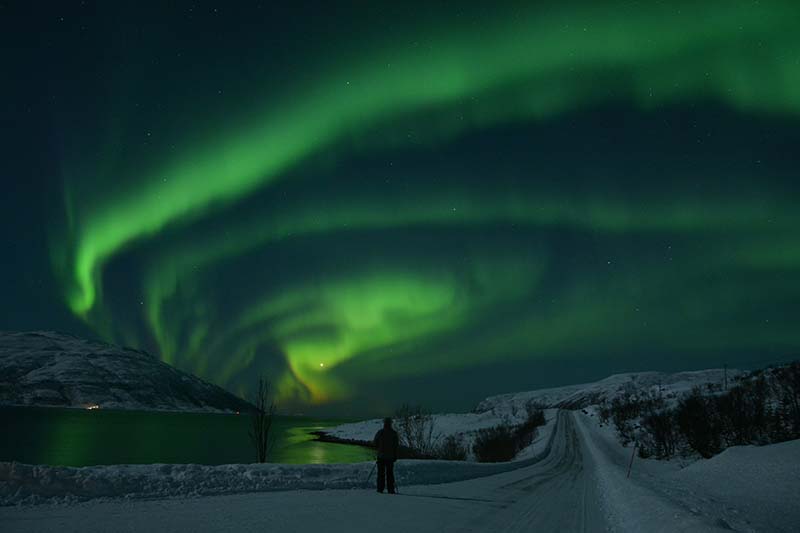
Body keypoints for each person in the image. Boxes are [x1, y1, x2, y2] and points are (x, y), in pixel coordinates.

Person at [373, 417, 399, 494]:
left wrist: (379, 449)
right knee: (390, 474)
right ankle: (391, 489)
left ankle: (380, 489)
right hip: (390, 457)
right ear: (390, 424)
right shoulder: (394, 433)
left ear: (384, 423)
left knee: (381, 474)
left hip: (381, 456)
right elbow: (396, 446)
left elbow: (375, 443)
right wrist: (395, 455)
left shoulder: (380, 432)